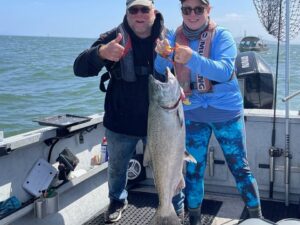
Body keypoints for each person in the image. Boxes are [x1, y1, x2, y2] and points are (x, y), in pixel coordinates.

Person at [73, 0, 184, 223]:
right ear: (127, 12)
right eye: (134, 10)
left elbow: (187, 69)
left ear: (154, 11)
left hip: (163, 122)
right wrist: (101, 53)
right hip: (121, 119)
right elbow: (79, 68)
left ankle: (175, 205)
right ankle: (117, 200)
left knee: (172, 161)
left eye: (145, 9)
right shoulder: (113, 37)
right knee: (116, 168)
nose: (139, 14)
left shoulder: (169, 37)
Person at [154, 0, 263, 224]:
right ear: (181, 11)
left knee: (240, 168)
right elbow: (158, 71)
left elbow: (224, 71)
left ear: (208, 10)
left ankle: (257, 217)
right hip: (192, 114)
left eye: (199, 9)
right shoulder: (174, 36)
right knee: (193, 172)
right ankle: (193, 219)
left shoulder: (222, 36)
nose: (192, 14)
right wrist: (160, 54)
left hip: (226, 113)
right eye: (187, 9)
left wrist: (192, 58)